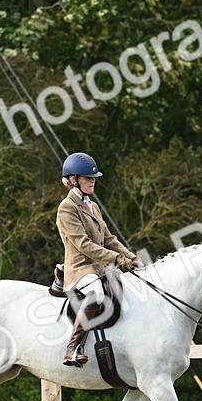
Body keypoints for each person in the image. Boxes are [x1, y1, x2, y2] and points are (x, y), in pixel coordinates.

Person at [56, 152, 141, 367]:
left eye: (93, 178)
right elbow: (83, 244)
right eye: (87, 178)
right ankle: (73, 348)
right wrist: (116, 258)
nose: (92, 181)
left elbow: (109, 238)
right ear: (73, 180)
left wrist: (132, 258)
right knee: (95, 292)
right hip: (79, 269)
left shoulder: (92, 206)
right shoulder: (67, 208)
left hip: (99, 268)